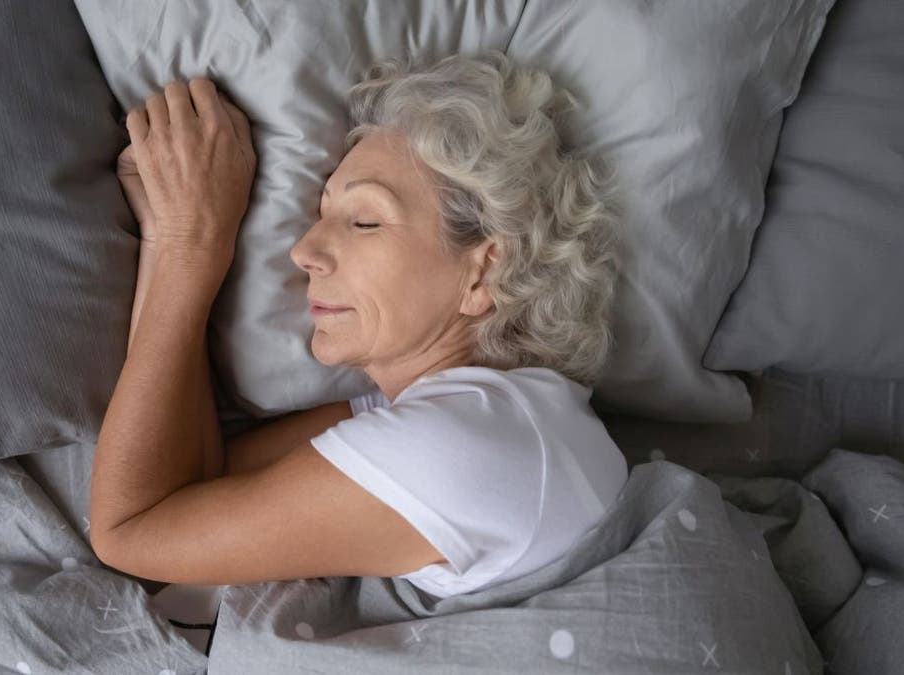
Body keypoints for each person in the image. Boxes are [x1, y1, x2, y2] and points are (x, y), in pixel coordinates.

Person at [91, 51, 628, 600]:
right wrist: (166, 239)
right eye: (322, 216)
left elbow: (134, 532)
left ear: (483, 271)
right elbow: (198, 491)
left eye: (365, 221)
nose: (304, 251)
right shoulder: (489, 414)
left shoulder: (453, 447)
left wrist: (192, 248)